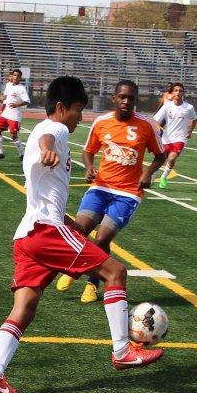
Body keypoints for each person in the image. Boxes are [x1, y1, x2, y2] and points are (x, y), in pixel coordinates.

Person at [0, 76, 164, 393]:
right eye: (78, 110)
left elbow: (44, 194)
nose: (81, 117)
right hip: (44, 231)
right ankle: (122, 351)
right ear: (62, 107)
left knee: (25, 307)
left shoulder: (43, 134)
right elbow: (50, 134)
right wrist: (49, 149)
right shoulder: (55, 130)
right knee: (115, 272)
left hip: (27, 234)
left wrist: (70, 222)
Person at [56, 80, 165, 303]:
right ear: (114, 98)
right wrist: (89, 168)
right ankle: (75, 270)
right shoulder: (101, 122)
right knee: (80, 230)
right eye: (122, 97)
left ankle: (91, 283)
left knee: (103, 236)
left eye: (131, 98)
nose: (127, 101)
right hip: (101, 187)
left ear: (136, 100)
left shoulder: (146, 125)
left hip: (128, 193)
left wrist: (148, 172)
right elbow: (88, 151)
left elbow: (160, 155)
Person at [153, 82, 197, 189]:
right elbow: (155, 120)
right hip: (166, 137)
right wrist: (159, 128)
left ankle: (164, 176)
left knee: (172, 158)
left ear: (183, 93)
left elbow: (194, 119)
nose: (178, 93)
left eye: (180, 91)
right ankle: (152, 175)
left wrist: (190, 131)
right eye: (176, 90)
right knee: (161, 159)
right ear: (172, 93)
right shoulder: (167, 106)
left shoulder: (189, 107)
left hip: (180, 138)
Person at [0, 69, 30, 161]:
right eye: (14, 75)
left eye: (18, 76)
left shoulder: (21, 88)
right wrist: (2, 98)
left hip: (15, 115)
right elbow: (5, 95)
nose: (15, 77)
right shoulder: (8, 85)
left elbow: (27, 101)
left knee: (13, 136)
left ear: (20, 78)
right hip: (6, 113)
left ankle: (22, 154)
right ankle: (0, 152)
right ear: (12, 76)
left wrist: (17, 104)